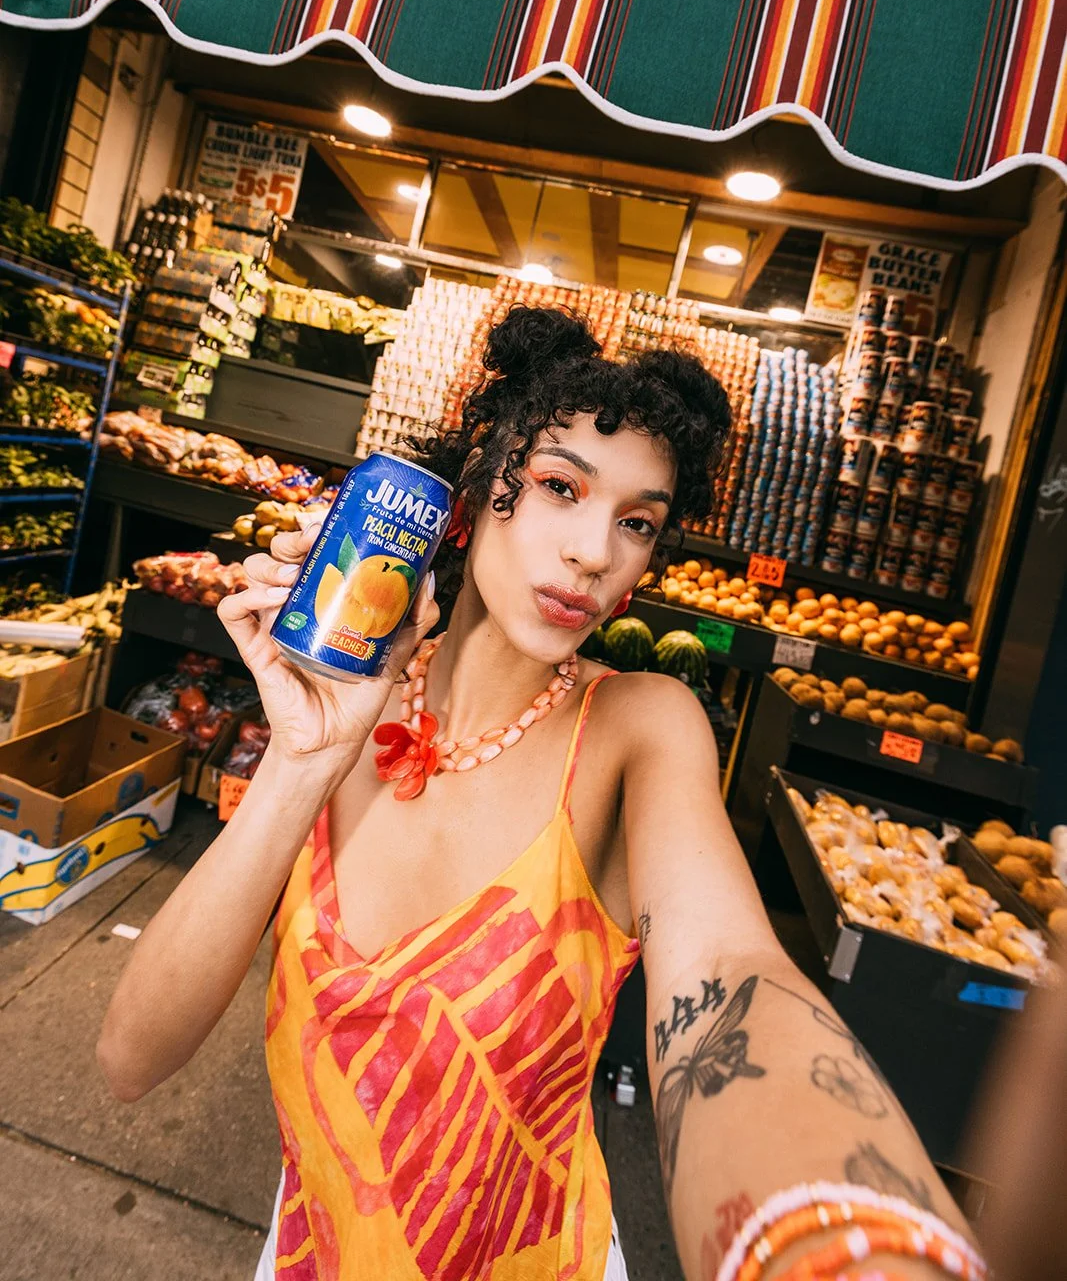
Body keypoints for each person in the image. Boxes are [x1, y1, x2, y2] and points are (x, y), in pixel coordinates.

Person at [98, 307, 985, 1281]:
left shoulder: (639, 729)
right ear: (479, 491)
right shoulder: (352, 714)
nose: (595, 551)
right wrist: (305, 756)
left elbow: (733, 973)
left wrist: (848, 1240)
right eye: (561, 486)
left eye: (636, 520)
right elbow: (130, 1059)